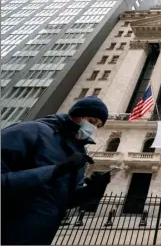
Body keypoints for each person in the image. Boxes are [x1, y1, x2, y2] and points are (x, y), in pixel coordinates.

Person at [1, 96, 111, 245]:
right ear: (77, 115)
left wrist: (92, 192)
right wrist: (55, 170)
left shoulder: (79, 152)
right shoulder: (31, 130)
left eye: (98, 125)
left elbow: (63, 200)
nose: (93, 128)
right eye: (91, 121)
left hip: (39, 234)